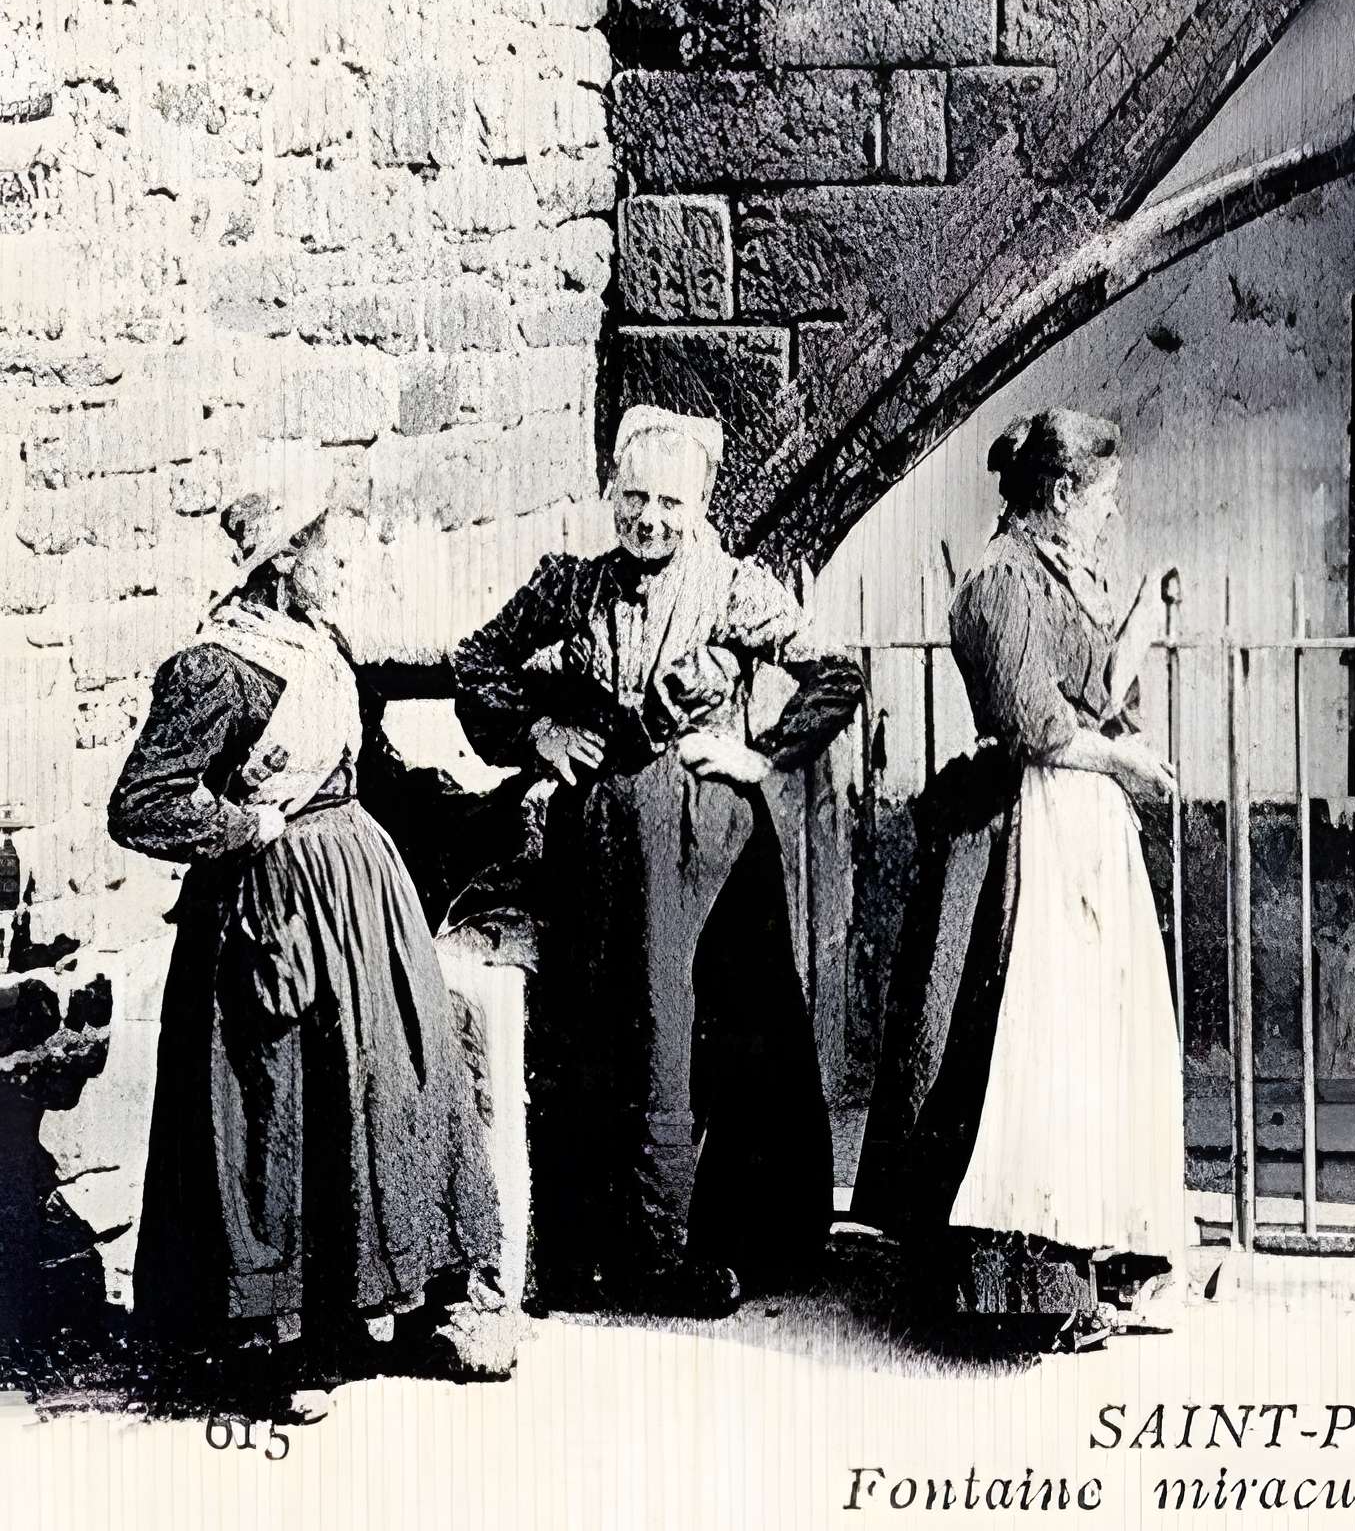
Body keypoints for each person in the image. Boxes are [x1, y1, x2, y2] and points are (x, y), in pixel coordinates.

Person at [110, 478, 509, 1423]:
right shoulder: (217, 668)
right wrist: (243, 826)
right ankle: (270, 1350)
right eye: (335, 555)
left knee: (394, 1092)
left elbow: (378, 747)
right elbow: (143, 803)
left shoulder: (323, 649)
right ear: (283, 560)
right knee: (275, 1111)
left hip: (361, 895)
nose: (349, 571)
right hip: (269, 911)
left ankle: (411, 1314)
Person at [450, 406, 863, 1318]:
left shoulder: (732, 586)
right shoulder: (571, 587)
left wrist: (763, 755)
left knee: (710, 1029)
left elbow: (835, 671)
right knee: (610, 1027)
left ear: (704, 500)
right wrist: (537, 732)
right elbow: (474, 663)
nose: (650, 519)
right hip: (601, 844)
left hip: (712, 849)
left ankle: (712, 1241)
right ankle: (606, 1246)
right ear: (609, 492)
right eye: (633, 497)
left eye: (671, 501)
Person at [854, 408, 1187, 1353]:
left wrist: (1146, 619)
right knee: (1016, 1057)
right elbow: (1036, 725)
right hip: (1014, 839)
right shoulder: (997, 584)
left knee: (1080, 1056)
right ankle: (1011, 1295)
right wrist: (1127, 766)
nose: (1113, 518)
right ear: (1063, 495)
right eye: (1105, 500)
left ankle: (1081, 1273)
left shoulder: (1059, 578)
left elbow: (1098, 688)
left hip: (1075, 832)